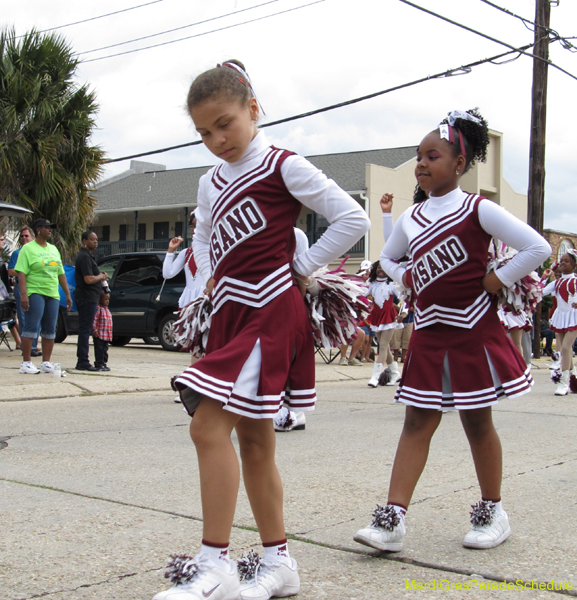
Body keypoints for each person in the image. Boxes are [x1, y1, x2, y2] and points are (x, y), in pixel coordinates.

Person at [160, 60, 369, 600]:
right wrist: (206, 280)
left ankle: (215, 566)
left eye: (225, 123)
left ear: (253, 109)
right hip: (230, 315)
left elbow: (352, 219)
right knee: (254, 441)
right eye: (204, 132)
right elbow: (204, 236)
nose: (216, 139)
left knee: (207, 429)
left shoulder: (283, 165)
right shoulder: (210, 181)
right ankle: (279, 564)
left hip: (269, 312)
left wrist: (301, 268)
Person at [354, 109, 550, 555]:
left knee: (477, 421)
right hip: (428, 332)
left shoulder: (479, 209)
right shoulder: (411, 218)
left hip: (471, 332)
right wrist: (410, 279)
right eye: (418, 157)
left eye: (433, 155)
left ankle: (492, 511)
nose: (422, 164)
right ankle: (392, 519)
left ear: (459, 164)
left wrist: (498, 280)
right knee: (416, 420)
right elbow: (388, 260)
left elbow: (536, 247)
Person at [14, 218, 72, 374]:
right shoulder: (27, 249)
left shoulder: (53, 249)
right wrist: (24, 295)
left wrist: (67, 294)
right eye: (47, 227)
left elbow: (61, 273)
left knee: (50, 329)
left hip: (52, 293)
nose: (50, 230)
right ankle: (26, 363)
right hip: (35, 292)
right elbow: (21, 272)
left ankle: (46, 362)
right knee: (32, 326)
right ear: (38, 229)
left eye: (51, 227)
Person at [162, 212, 207, 365]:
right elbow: (168, 274)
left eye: (198, 225)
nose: (194, 229)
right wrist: (170, 251)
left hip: (207, 302)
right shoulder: (186, 253)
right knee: (195, 345)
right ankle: (195, 377)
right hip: (190, 304)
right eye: (192, 226)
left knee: (208, 343)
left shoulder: (215, 250)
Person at [542, 251, 577, 395]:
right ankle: (574, 380)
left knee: (566, 348)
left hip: (574, 317)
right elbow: (540, 292)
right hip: (560, 317)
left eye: (566, 261)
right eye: (561, 260)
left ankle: (563, 383)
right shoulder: (556, 282)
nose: (562, 263)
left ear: (574, 264)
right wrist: (545, 277)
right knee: (564, 350)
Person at [73, 231, 109, 371]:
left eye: (96, 239)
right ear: (84, 241)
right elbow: (88, 279)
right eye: (92, 239)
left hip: (91, 297)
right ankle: (83, 361)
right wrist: (100, 277)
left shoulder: (89, 257)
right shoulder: (84, 257)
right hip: (86, 297)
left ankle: (88, 360)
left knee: (87, 329)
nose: (95, 242)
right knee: (85, 329)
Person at [366, 260, 401, 387]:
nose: (381, 270)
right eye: (378, 268)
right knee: (383, 346)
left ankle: (374, 377)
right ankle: (395, 373)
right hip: (376, 316)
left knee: (383, 346)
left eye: (383, 268)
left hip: (389, 316)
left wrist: (404, 312)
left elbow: (404, 299)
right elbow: (362, 294)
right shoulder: (371, 283)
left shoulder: (392, 285)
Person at [8, 226, 41, 357]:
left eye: (26, 236)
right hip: (21, 287)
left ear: (32, 237)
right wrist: (24, 271)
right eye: (22, 236)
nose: (24, 238)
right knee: (23, 317)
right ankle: (25, 347)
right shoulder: (17, 253)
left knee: (37, 316)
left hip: (36, 286)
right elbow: (10, 271)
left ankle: (33, 345)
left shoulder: (38, 251)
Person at [92, 290, 112, 371]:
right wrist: (94, 330)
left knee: (105, 349)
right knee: (99, 349)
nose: (107, 301)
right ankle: (98, 363)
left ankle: (104, 363)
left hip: (106, 335)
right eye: (105, 299)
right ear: (100, 299)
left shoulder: (107, 309)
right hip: (99, 334)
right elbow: (94, 320)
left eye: (108, 299)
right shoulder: (98, 309)